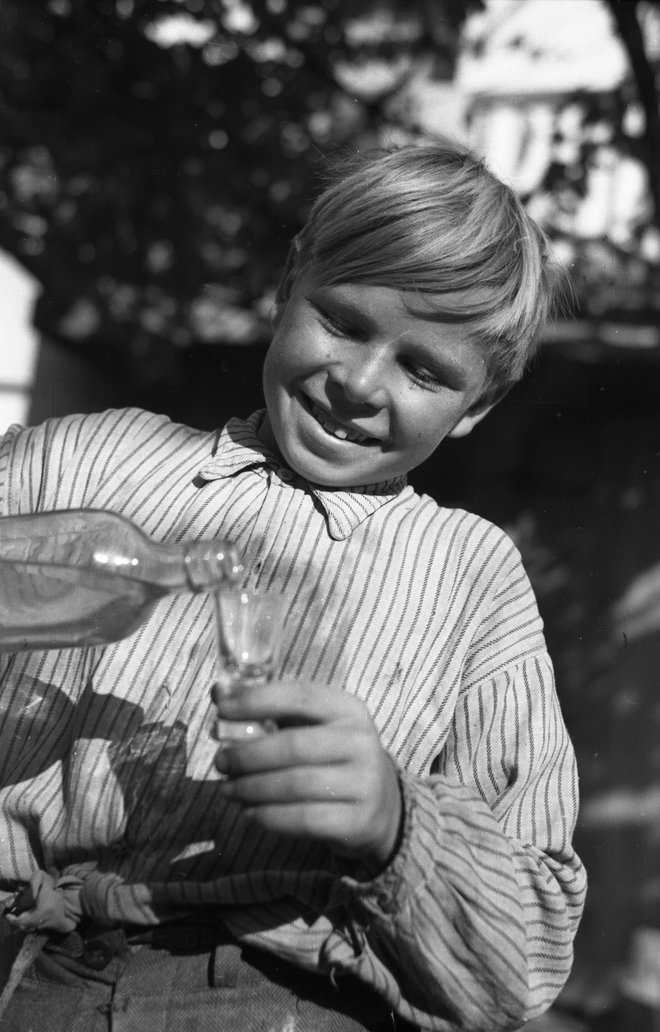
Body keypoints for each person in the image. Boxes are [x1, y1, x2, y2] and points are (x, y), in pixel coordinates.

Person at [0, 139, 586, 1032]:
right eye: (345, 322)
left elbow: (527, 954)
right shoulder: (83, 460)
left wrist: (396, 822)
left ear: (477, 407)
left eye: (424, 370)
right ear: (288, 284)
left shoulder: (471, 579)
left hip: (269, 997)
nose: (356, 383)